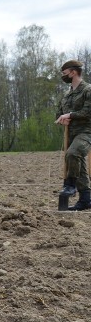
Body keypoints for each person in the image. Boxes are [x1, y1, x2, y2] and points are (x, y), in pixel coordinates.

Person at [55, 59, 91, 211]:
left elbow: (88, 112)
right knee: (79, 166)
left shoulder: (87, 90)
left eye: (64, 73)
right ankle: (86, 200)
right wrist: (61, 119)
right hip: (70, 134)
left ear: (73, 72)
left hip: (86, 132)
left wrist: (70, 114)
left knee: (72, 154)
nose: (63, 76)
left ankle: (69, 185)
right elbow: (58, 113)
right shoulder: (66, 95)